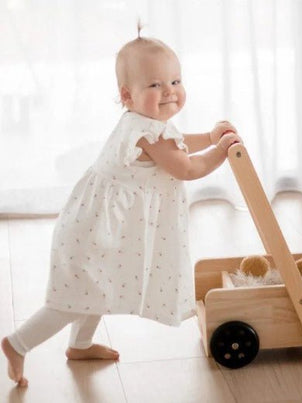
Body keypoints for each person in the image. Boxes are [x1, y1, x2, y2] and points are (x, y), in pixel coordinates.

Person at [1, 23, 241, 387]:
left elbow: (177, 143)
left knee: (101, 284)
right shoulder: (146, 132)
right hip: (95, 229)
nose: (169, 93)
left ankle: (79, 345)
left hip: (99, 224)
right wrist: (221, 151)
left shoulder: (147, 125)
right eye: (155, 85)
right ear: (127, 96)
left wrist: (208, 137)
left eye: (175, 82)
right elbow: (186, 167)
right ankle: (18, 343)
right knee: (73, 297)